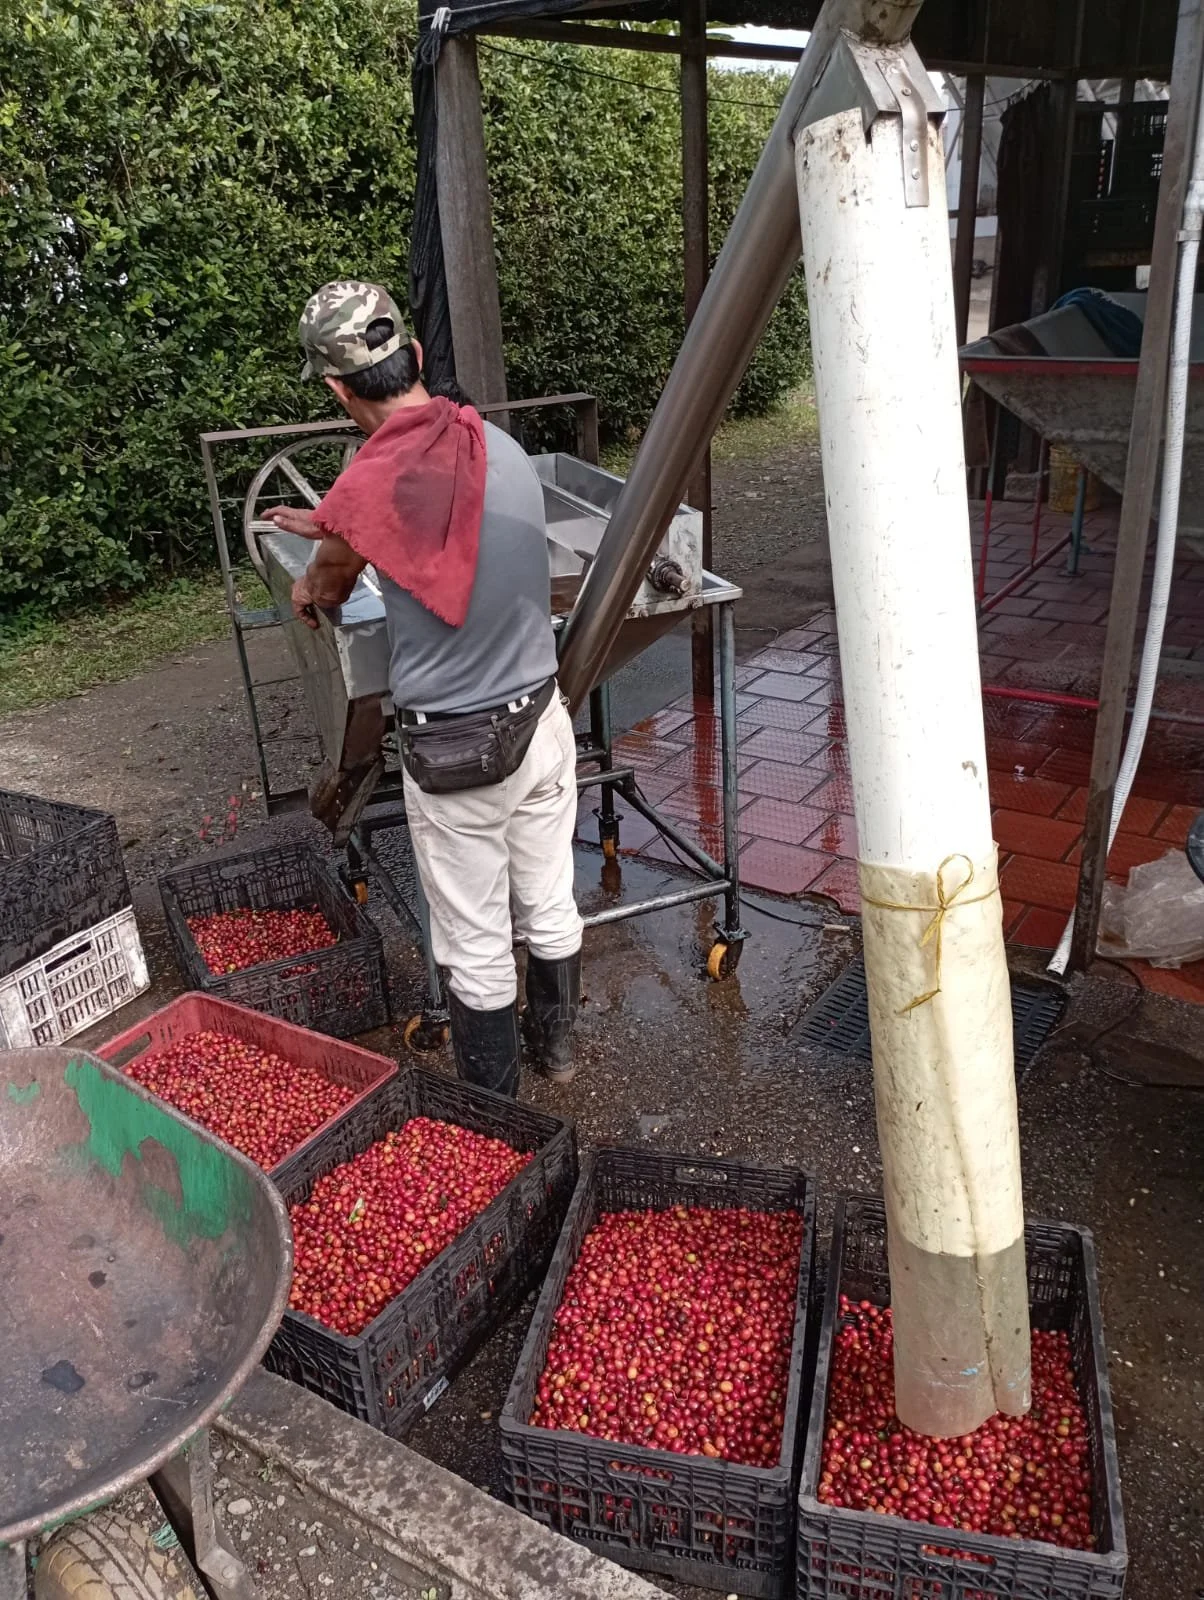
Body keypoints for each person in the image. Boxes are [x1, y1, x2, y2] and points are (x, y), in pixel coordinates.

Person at [264, 280, 583, 1096]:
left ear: (337, 391)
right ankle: (558, 1053)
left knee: (475, 943)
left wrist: (314, 572)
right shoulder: (494, 444)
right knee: (548, 900)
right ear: (411, 356)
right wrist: (338, 522)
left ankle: (498, 1116)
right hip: (544, 722)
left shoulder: (375, 485)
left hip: (457, 752)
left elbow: (330, 588)